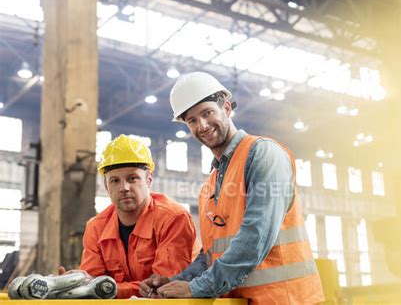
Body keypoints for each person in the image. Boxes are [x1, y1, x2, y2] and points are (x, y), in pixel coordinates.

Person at [139, 72, 324, 304]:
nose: (202, 126)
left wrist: (197, 288)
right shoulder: (210, 186)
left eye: (207, 113)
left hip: (285, 299)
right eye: (192, 120)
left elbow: (255, 237)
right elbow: (211, 254)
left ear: (226, 108)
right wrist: (175, 283)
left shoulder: (264, 154)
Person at [77, 134, 200, 298]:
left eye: (132, 178)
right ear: (106, 186)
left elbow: (164, 287)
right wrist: (75, 283)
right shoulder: (96, 228)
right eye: (115, 181)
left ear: (149, 180)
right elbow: (91, 287)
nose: (124, 188)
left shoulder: (173, 218)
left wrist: (105, 289)